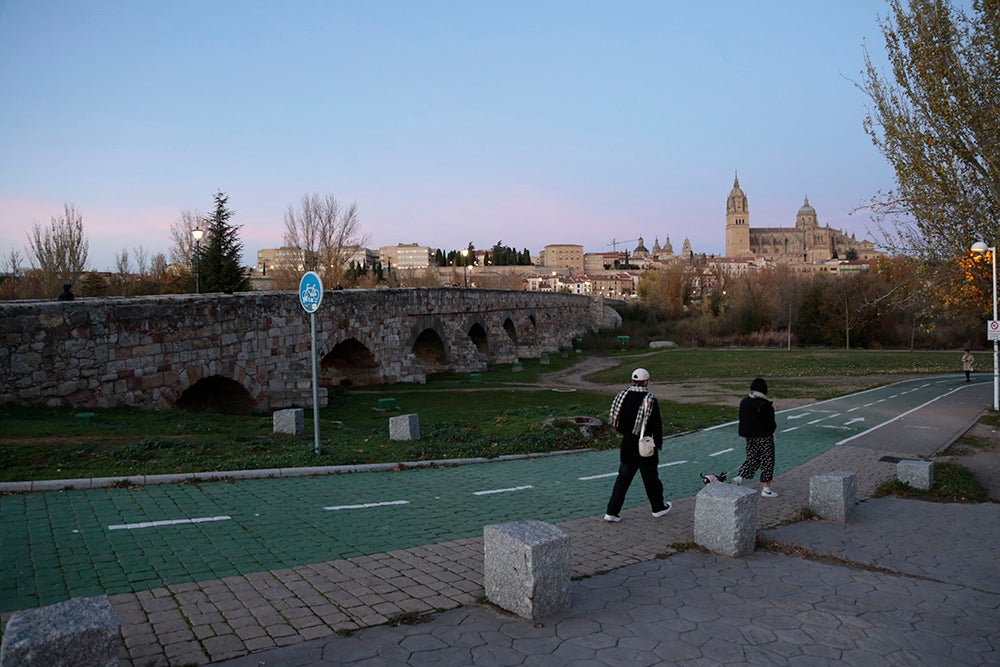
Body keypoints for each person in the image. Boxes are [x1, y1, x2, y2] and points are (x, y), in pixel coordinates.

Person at [604, 367, 672, 522]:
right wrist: (658, 444)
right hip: (645, 444)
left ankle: (611, 512)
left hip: (628, 443)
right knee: (651, 478)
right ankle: (658, 507)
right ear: (646, 381)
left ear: (632, 380)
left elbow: (618, 422)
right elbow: (656, 424)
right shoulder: (650, 399)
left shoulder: (622, 396)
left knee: (623, 479)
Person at [733, 377, 779, 497]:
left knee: (752, 458)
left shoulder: (744, 401)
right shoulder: (765, 405)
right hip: (764, 436)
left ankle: (739, 478)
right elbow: (771, 423)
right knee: (767, 460)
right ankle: (766, 489)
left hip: (749, 436)